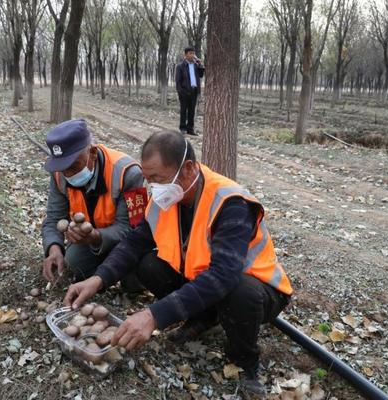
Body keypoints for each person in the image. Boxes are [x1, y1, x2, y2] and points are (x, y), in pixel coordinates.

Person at [64, 131, 293, 396]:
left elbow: (223, 276)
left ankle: (246, 361)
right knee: (148, 264)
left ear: (188, 169)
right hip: (204, 280)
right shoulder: (167, 198)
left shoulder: (230, 204)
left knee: (239, 290)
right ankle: (204, 318)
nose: (153, 188)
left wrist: (154, 315)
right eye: (149, 180)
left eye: (158, 179)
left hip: (259, 291)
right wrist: (98, 279)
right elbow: (133, 243)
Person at [42, 118, 145, 292]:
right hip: (89, 243)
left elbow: (132, 229)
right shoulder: (59, 173)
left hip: (124, 242)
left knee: (136, 279)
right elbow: (54, 217)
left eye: (73, 166)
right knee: (73, 263)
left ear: (92, 153)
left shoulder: (129, 173)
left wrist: (96, 237)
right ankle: (99, 280)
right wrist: (54, 248)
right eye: (63, 168)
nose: (68, 173)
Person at [175, 47, 205, 136]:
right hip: (184, 91)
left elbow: (201, 75)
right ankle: (183, 128)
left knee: (192, 111)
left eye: (193, 53)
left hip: (194, 91)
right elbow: (178, 81)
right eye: (190, 53)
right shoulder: (180, 66)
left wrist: (200, 64)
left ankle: (190, 129)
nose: (192, 55)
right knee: (184, 110)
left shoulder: (196, 65)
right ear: (185, 55)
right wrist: (180, 92)